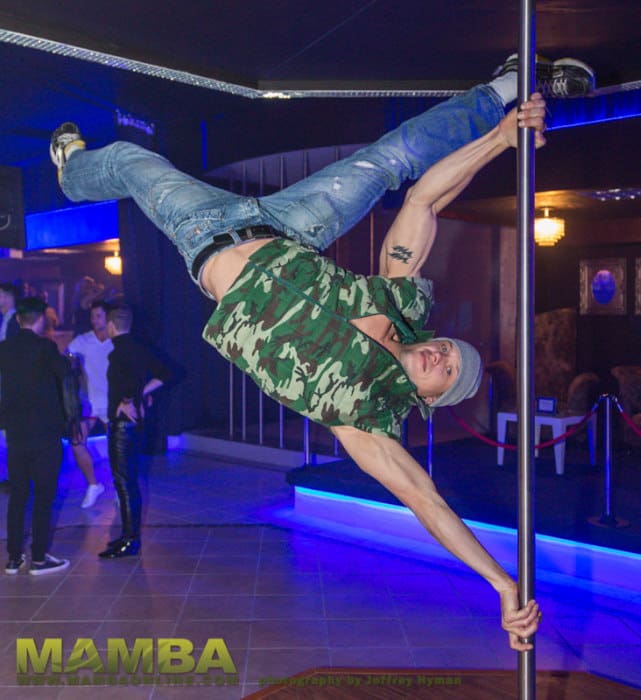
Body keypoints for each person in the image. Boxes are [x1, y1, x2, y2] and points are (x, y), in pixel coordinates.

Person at [49, 56, 594, 647]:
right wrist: (502, 139)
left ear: (432, 398)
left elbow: (426, 500)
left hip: (202, 234)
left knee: (131, 161)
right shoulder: (400, 303)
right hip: (289, 226)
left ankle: (71, 172)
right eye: (447, 348)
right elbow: (423, 202)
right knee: (388, 161)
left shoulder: (365, 418)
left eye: (448, 370)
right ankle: (507, 87)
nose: (441, 354)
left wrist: (502, 584)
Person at [0, 297, 72, 575]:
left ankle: (13, 558)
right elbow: (64, 374)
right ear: (41, 320)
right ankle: (39, 559)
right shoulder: (46, 347)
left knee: (18, 495)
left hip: (16, 433)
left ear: (18, 319)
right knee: (43, 496)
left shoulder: (4, 349)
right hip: (45, 432)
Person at [98, 304, 172, 559]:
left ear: (111, 325)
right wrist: (140, 395)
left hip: (123, 426)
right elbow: (166, 373)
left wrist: (129, 399)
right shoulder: (137, 347)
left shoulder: (120, 352)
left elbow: (131, 382)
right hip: (132, 424)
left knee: (124, 483)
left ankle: (130, 540)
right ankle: (128, 536)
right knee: (127, 482)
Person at [65, 300, 113, 508]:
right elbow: (66, 358)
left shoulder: (117, 341)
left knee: (117, 449)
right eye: (93, 316)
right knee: (77, 443)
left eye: (99, 316)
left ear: (108, 317)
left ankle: (120, 489)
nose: (95, 320)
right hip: (90, 403)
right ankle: (93, 485)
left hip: (113, 402)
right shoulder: (82, 341)